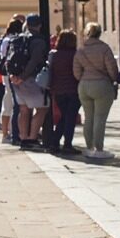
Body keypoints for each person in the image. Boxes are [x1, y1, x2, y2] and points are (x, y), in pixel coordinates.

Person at [72, 23, 119, 160]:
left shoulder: (80, 50)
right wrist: (113, 79)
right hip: (102, 84)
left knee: (89, 117)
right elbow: (112, 68)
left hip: (84, 85)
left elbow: (76, 71)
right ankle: (99, 148)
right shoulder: (104, 48)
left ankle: (89, 147)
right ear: (99, 33)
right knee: (100, 117)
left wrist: (84, 78)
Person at [7, 15, 51, 145]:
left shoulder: (17, 39)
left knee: (24, 110)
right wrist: (23, 77)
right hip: (31, 79)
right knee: (42, 108)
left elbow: (8, 59)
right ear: (39, 26)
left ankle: (23, 138)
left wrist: (14, 76)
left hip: (15, 79)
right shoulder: (38, 41)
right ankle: (32, 137)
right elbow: (34, 61)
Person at [47, 30, 81, 155]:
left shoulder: (54, 55)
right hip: (74, 90)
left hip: (58, 90)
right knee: (70, 117)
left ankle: (55, 142)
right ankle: (67, 144)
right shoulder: (76, 54)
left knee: (64, 116)